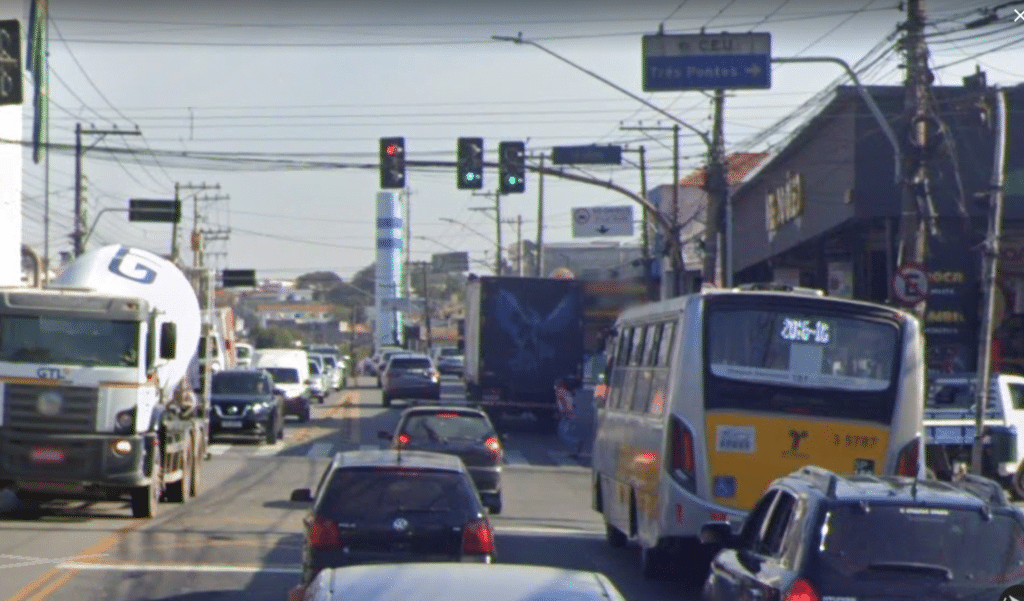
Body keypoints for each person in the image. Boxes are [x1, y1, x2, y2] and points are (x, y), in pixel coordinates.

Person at [555, 376, 585, 458]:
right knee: (564, 433)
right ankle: (574, 450)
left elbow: (564, 403)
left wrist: (563, 412)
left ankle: (576, 443)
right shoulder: (566, 391)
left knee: (562, 434)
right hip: (569, 414)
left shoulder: (560, 391)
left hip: (566, 415)